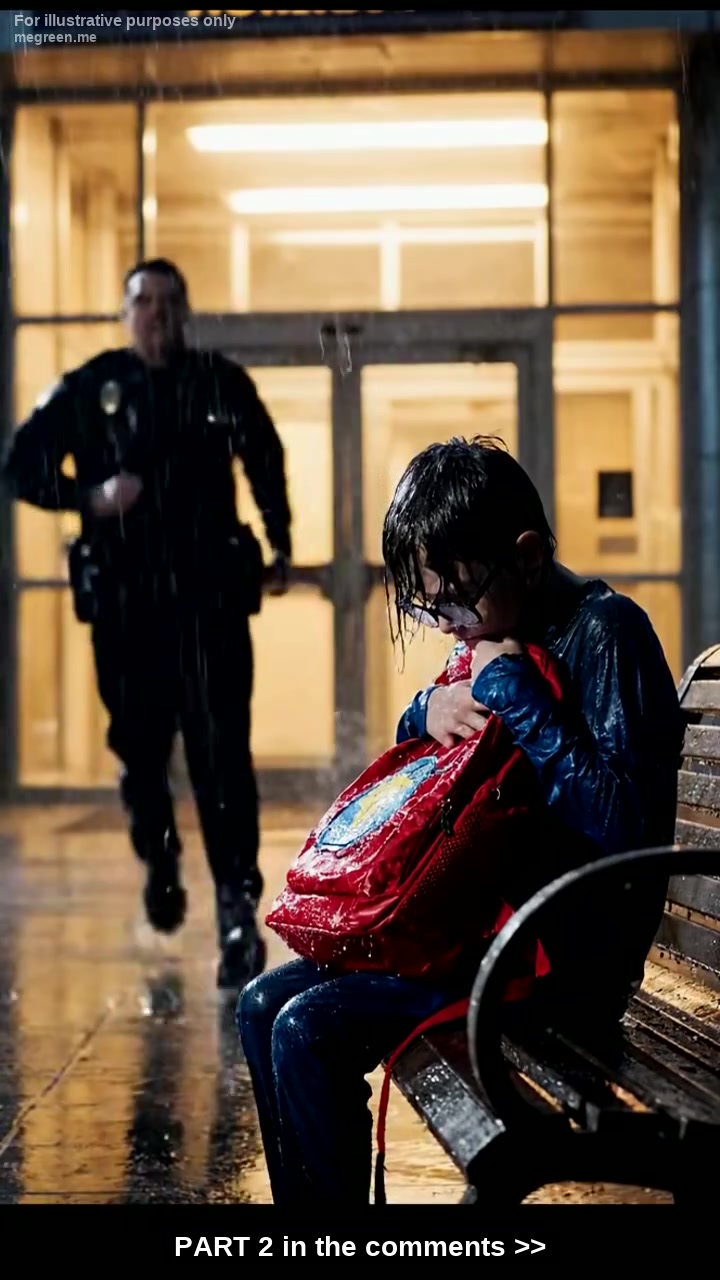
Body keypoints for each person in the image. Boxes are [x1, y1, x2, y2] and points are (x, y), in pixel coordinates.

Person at [236, 435, 684, 1205]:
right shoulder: (499, 628)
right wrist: (427, 708)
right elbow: (435, 773)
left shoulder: (607, 633)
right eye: (428, 603)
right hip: (476, 936)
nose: (445, 623)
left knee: (307, 1030)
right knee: (260, 1005)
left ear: (529, 557)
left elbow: (624, 828)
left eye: (455, 599)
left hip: (554, 963)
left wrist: (514, 691)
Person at [3, 258, 292, 990]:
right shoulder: (93, 387)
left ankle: (236, 911)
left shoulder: (218, 382)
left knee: (222, 759)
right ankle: (160, 861)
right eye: (143, 301)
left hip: (207, 609)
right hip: (128, 615)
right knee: (141, 755)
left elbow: (265, 457)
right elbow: (20, 465)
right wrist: (90, 496)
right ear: (125, 313)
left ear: (185, 310)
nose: (156, 314)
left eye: (168, 301)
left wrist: (280, 541)